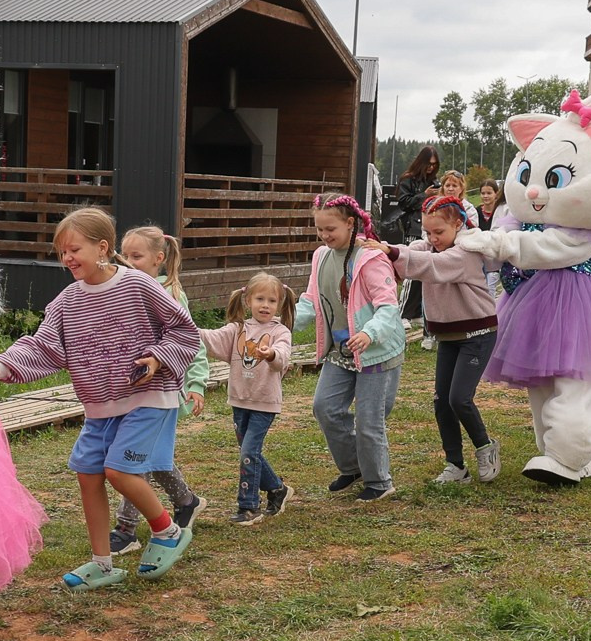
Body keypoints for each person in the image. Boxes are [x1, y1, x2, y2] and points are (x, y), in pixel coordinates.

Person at [0, 208, 204, 588]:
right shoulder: (67, 301)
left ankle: (167, 531)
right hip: (100, 406)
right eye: (61, 252)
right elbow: (43, 347)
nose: (67, 258)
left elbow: (184, 330)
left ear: (102, 247)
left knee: (119, 470)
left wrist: (158, 357)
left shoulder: (138, 286)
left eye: (73, 249)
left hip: (147, 396)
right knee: (88, 474)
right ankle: (102, 564)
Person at [382, 197, 500, 484]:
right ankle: (456, 465)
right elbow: (413, 254)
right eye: (428, 233)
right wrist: (379, 252)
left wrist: (392, 252)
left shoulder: (465, 253)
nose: (433, 239)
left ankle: (485, 447)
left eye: (439, 233)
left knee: (459, 398)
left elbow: (432, 265)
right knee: (441, 402)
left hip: (477, 334)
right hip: (449, 336)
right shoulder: (428, 247)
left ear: (458, 224)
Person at [297, 194, 405, 501]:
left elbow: (387, 306)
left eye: (330, 229)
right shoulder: (321, 257)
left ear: (349, 223)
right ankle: (354, 466)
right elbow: (312, 300)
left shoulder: (370, 259)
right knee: (325, 408)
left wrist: (370, 334)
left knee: (370, 420)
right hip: (341, 351)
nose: (324, 235)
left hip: (375, 350)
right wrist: (281, 323)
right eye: (319, 229)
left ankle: (379, 481)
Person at [108, 226, 207, 554]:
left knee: (134, 459)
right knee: (149, 456)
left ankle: (126, 529)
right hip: (129, 391)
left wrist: (196, 384)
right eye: (127, 256)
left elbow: (192, 343)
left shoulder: (171, 295)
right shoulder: (121, 290)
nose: (130, 262)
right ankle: (186, 500)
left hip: (163, 393)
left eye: (138, 257)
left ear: (158, 259)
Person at [198, 272, 295, 523]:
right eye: (260, 299)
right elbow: (211, 339)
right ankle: (278, 489)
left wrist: (271, 353)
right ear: (247, 300)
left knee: (249, 452)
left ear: (280, 304)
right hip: (239, 401)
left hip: (265, 403)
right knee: (249, 452)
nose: (265, 305)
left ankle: (249, 507)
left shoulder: (280, 332)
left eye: (272, 301)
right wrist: (188, 328)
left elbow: (283, 357)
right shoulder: (237, 329)